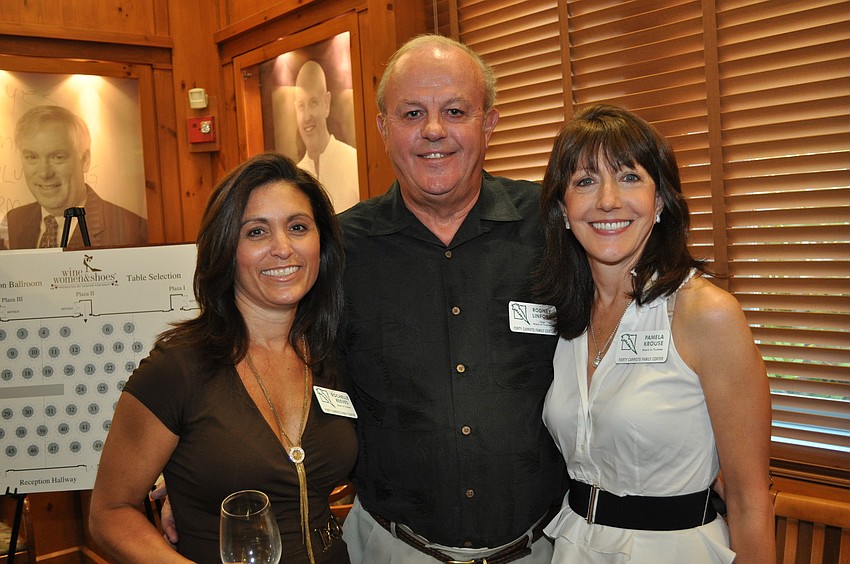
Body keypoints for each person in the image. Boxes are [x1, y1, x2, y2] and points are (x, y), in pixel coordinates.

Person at [337, 34, 568, 563]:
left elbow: (633, 316)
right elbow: (274, 360)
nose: (434, 130)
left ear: (488, 123)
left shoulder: (555, 227)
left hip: (543, 549)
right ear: (383, 128)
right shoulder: (339, 249)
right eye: (412, 112)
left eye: (455, 111)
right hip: (393, 549)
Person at [89, 152, 357, 564]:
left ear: (321, 243)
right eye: (256, 232)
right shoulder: (177, 368)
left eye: (298, 227)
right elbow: (110, 513)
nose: (283, 249)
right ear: (225, 248)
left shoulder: (331, 354)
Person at [536, 104, 774, 562]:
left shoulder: (705, 314)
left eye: (629, 177)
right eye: (585, 181)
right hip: (574, 548)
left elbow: (748, 501)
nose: (607, 199)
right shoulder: (565, 321)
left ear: (660, 201)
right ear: (563, 211)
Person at [0, 105, 148, 250]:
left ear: (85, 160)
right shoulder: (14, 221)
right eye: (32, 157)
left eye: (57, 157)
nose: (44, 173)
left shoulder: (131, 231)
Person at [294, 60, 360, 213]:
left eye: (313, 103)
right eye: (301, 106)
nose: (306, 116)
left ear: (326, 103)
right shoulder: (294, 177)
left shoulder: (353, 162)